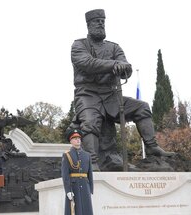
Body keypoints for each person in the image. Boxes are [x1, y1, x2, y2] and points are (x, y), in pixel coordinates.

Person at [71, 9, 174, 171]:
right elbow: (87, 63)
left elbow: (125, 66)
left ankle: (151, 146)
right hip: (88, 95)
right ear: (88, 25)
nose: (100, 24)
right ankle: (91, 161)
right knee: (90, 123)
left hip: (111, 96)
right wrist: (113, 65)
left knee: (142, 107)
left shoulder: (114, 47)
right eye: (96, 22)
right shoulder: (79, 45)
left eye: (102, 22)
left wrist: (125, 69)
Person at [61, 129, 94, 215]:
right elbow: (65, 175)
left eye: (79, 138)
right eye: (75, 138)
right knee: (75, 210)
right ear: (71, 141)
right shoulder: (67, 155)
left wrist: (91, 188)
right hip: (74, 186)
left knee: (87, 210)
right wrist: (68, 190)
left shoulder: (87, 155)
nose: (78, 140)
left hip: (85, 186)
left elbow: (90, 173)